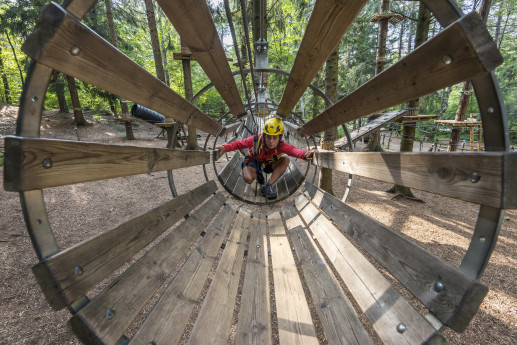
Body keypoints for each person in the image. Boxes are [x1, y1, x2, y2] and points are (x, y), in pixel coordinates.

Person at [216, 117, 317, 199]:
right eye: (268, 137)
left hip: (268, 164)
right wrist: (225, 147)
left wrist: (306, 154)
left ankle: (267, 186)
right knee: (248, 179)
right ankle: (255, 172)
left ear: (280, 137)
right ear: (264, 136)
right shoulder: (257, 139)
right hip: (253, 161)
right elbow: (240, 144)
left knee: (286, 159)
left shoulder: (282, 145)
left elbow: (294, 151)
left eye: (275, 138)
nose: (271, 141)